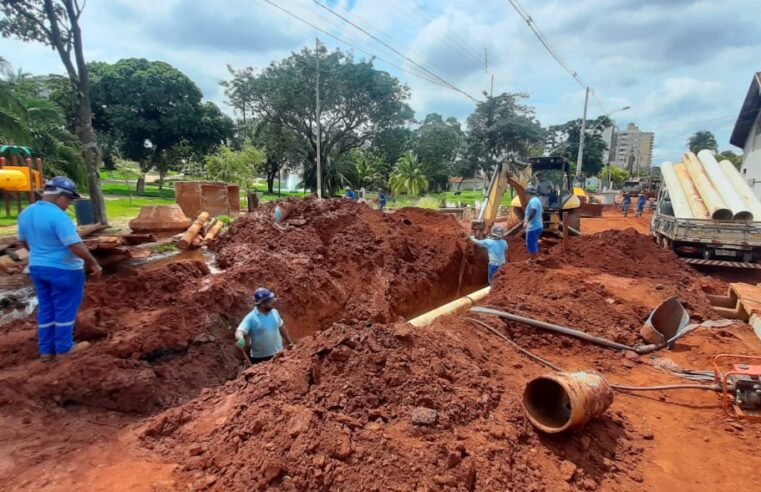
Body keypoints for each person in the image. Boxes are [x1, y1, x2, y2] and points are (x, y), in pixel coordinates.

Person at [17, 176, 102, 362]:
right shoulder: (58, 216)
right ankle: (64, 348)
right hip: (64, 270)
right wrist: (93, 262)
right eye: (69, 200)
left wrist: (39, 253)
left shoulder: (26, 213)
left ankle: (46, 351)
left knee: (46, 308)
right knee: (65, 308)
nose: (68, 204)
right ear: (59, 196)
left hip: (38, 268)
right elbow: (74, 244)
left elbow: (23, 240)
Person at [235, 287, 294, 364]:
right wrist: (241, 339)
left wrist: (290, 342)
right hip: (260, 359)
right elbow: (239, 330)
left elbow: (281, 327)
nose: (272, 302)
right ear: (262, 303)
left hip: (279, 355)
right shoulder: (251, 317)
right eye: (270, 301)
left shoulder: (275, 312)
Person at [523, 185, 543, 261]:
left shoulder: (533, 201)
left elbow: (533, 211)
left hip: (533, 226)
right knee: (533, 242)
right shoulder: (536, 200)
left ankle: (533, 260)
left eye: (526, 194)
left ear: (528, 194)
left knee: (531, 243)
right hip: (537, 225)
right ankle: (534, 258)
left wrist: (526, 221)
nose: (526, 196)